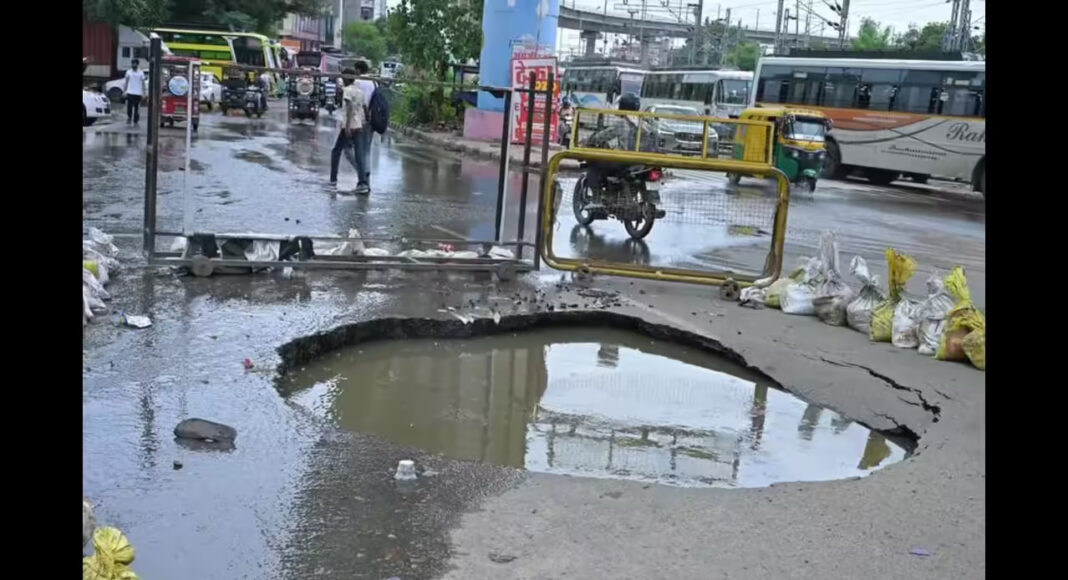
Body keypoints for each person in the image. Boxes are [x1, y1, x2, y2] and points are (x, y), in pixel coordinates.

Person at [582, 92, 653, 192]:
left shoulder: (622, 123)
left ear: (622, 106)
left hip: (624, 161)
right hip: (642, 162)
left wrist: (592, 139)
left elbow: (603, 136)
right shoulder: (643, 123)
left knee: (595, 166)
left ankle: (597, 196)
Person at [329, 68, 370, 194]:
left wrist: (347, 126)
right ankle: (363, 183)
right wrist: (365, 121)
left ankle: (333, 181)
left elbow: (350, 107)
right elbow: (365, 108)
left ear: (346, 78)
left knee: (336, 151)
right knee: (359, 155)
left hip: (349, 126)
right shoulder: (360, 91)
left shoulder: (347, 91)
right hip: (359, 125)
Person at [352, 60, 377, 192]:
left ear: (358, 70)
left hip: (359, 119)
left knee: (356, 150)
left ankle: (362, 178)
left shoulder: (357, 82)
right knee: (367, 150)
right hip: (372, 119)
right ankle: (366, 178)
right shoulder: (374, 82)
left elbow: (357, 101)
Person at [123, 59, 146, 125]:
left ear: (137, 64)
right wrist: (125, 91)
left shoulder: (141, 72)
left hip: (138, 93)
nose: (133, 65)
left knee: (137, 107)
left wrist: (144, 92)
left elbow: (143, 83)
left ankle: (136, 119)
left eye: (135, 64)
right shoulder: (128, 72)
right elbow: (126, 82)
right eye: (133, 63)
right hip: (130, 92)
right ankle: (129, 117)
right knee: (129, 106)